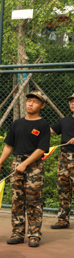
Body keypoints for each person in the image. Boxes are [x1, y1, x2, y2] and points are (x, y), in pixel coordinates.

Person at [0, 91, 50, 247]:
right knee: (17, 200)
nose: (30, 104)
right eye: (29, 100)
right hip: (16, 165)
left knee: (34, 201)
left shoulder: (43, 125)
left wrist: (25, 164)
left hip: (34, 166)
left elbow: (41, 149)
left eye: (35, 102)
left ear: (42, 105)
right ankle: (17, 233)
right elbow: (9, 145)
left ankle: (34, 235)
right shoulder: (17, 123)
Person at [49, 93, 74, 229]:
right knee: (63, 189)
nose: (73, 103)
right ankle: (63, 220)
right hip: (64, 158)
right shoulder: (65, 120)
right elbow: (49, 130)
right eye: (71, 101)